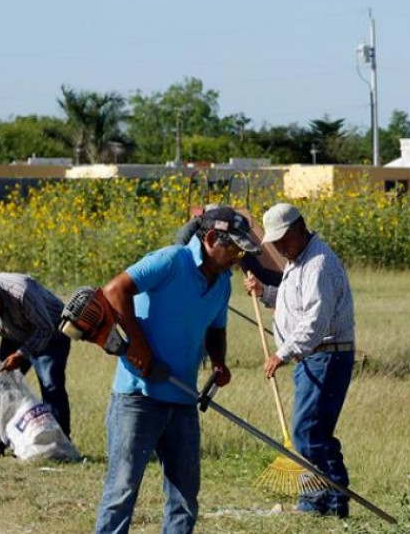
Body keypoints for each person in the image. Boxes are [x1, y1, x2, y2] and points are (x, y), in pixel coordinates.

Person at [94, 206, 260, 534]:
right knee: (122, 491)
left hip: (183, 399)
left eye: (243, 251)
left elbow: (216, 328)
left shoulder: (223, 282)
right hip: (138, 397)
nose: (239, 258)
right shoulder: (171, 261)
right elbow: (115, 291)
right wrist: (140, 346)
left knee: (185, 496)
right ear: (211, 238)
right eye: (235, 249)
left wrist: (218, 362)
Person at [244, 202, 356, 518]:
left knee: (309, 432)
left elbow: (314, 322)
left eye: (282, 240)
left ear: (299, 228)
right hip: (310, 358)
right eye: (275, 242)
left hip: (326, 357)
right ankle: (314, 500)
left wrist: (281, 354)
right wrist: (264, 290)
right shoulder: (299, 260)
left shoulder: (319, 263)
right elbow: (292, 301)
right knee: (310, 431)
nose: (279, 247)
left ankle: (335, 502)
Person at [0, 274, 72, 457]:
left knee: (51, 384)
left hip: (50, 333)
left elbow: (45, 329)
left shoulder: (22, 292)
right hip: (13, 335)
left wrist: (21, 355)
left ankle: (58, 444)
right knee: (2, 383)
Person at [175, 204, 282, 287]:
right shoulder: (186, 240)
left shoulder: (230, 241)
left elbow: (256, 271)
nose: (235, 260)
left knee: (257, 272)